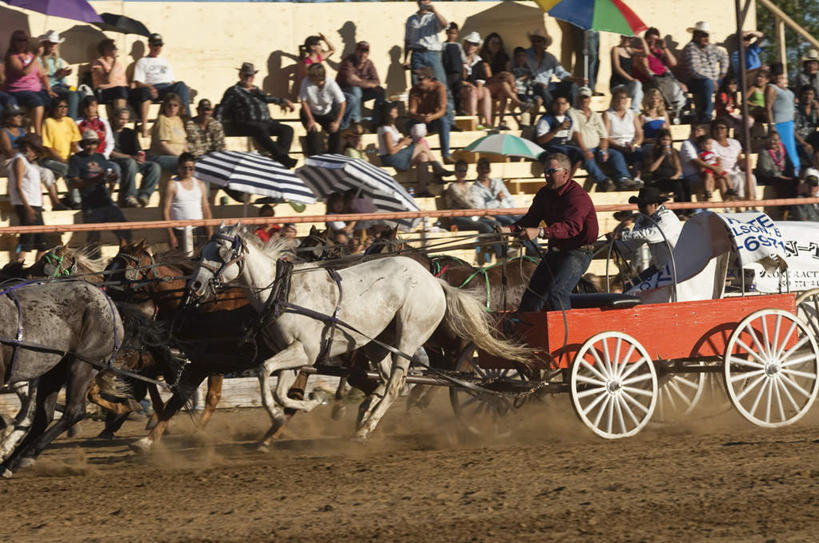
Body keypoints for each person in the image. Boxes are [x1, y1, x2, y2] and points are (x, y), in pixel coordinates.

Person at [501, 152, 598, 312]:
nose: (546, 175)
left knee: (557, 293)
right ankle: (528, 332)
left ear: (565, 173)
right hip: (555, 253)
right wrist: (509, 230)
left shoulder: (577, 196)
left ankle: (565, 334)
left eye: (551, 171)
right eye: (545, 171)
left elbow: (571, 227)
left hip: (577, 253)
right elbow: (530, 220)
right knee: (532, 295)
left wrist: (539, 232)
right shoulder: (544, 194)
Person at [216, 62, 296, 168]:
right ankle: (283, 159)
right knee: (260, 128)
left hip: (266, 122)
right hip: (247, 123)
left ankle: (280, 159)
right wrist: (216, 124)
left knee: (287, 129)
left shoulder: (256, 90)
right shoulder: (233, 91)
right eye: (246, 75)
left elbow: (267, 98)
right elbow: (222, 108)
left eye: (252, 75)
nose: (249, 78)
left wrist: (283, 101)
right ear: (240, 75)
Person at [68, 129, 131, 252]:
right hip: (90, 205)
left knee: (125, 232)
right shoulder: (75, 159)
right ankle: (93, 268)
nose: (90, 146)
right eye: (87, 143)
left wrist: (113, 178)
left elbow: (108, 177)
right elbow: (74, 182)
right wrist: (95, 179)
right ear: (82, 145)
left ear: (97, 144)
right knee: (93, 240)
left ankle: (123, 260)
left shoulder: (100, 157)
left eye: (93, 143)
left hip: (106, 202)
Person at [8, 135, 60, 262]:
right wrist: (28, 208)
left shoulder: (30, 163)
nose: (36, 155)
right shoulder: (19, 160)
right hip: (27, 205)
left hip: (35, 204)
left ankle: (36, 272)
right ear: (27, 148)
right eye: (35, 151)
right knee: (26, 242)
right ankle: (16, 268)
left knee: (42, 243)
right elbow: (18, 186)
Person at [377, 101, 446, 196]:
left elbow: (394, 143)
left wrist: (403, 140)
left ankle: (422, 189)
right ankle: (437, 167)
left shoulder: (392, 126)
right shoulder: (385, 129)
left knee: (423, 157)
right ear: (389, 112)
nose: (396, 110)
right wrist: (403, 143)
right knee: (421, 145)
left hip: (397, 157)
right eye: (394, 109)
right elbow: (391, 151)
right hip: (390, 159)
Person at [570, 86, 632, 192]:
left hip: (596, 148)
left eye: (586, 97)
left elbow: (604, 135)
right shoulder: (572, 112)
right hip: (580, 147)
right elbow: (575, 134)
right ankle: (603, 181)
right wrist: (585, 150)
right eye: (582, 97)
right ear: (577, 98)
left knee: (616, 154)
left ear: (590, 99)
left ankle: (624, 178)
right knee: (586, 157)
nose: (584, 100)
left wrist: (603, 150)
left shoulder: (594, 114)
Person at [131, 34, 191, 136]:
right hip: (154, 88)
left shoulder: (164, 62)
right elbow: (138, 82)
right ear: (149, 45)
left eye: (159, 45)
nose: (157, 48)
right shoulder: (142, 62)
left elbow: (172, 82)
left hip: (167, 87)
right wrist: (150, 87)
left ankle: (188, 120)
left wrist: (184, 87)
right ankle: (145, 127)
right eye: (155, 45)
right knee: (148, 92)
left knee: (181, 85)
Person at [615, 186, 683, 278]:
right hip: (661, 268)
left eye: (643, 205)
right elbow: (633, 243)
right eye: (639, 205)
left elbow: (651, 235)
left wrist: (622, 236)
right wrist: (614, 245)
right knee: (631, 288)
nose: (640, 209)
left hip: (678, 268)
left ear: (655, 205)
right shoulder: (642, 219)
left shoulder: (667, 218)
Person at [444, 160, 505, 260]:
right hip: (457, 218)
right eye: (460, 170)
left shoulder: (469, 186)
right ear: (455, 172)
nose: (462, 173)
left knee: (496, 224)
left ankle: (500, 250)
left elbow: (474, 203)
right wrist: (484, 214)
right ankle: (500, 254)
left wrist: (482, 213)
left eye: (464, 170)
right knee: (484, 225)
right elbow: (465, 203)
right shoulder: (452, 187)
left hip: (471, 216)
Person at [4, 30, 53, 136]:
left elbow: (42, 74)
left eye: (24, 40)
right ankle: (37, 134)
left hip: (35, 89)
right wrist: (36, 56)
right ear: (13, 42)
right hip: (18, 90)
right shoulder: (12, 57)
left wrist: (49, 89)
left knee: (53, 102)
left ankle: (48, 132)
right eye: (19, 40)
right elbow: (24, 72)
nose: (22, 43)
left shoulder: (30, 55)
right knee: (37, 102)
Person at [109, 107, 160, 208]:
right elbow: (110, 153)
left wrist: (141, 157)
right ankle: (130, 196)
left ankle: (144, 196)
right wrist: (130, 157)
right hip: (117, 161)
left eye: (126, 119)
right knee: (130, 162)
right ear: (114, 118)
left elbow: (139, 150)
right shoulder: (109, 132)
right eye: (121, 119)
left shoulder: (129, 132)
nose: (124, 122)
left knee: (154, 166)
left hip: (132, 160)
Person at [162, 152, 213, 252]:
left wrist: (210, 232)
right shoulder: (172, 185)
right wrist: (171, 235)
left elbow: (206, 209)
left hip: (199, 229)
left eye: (191, 168)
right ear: (179, 168)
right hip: (179, 231)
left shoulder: (200, 184)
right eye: (184, 167)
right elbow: (165, 211)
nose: (187, 171)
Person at [479, 32, 531, 129]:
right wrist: (499, 75)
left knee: (503, 91)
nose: (496, 46)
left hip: (501, 86)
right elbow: (488, 79)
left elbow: (508, 74)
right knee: (503, 84)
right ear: (487, 44)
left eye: (498, 43)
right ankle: (518, 103)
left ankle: (501, 122)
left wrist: (512, 86)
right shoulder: (483, 58)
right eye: (493, 43)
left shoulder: (503, 57)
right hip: (486, 86)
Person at [681, 21, 729, 124]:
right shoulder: (691, 48)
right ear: (696, 35)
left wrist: (722, 73)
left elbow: (724, 56)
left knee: (730, 82)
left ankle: (726, 113)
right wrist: (712, 81)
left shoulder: (711, 47)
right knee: (707, 84)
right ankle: (707, 115)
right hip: (696, 81)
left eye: (707, 35)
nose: (706, 38)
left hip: (713, 80)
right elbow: (695, 70)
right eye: (703, 35)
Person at [525, 29, 584, 110]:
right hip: (532, 88)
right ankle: (552, 113)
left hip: (548, 86)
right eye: (534, 41)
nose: (536, 43)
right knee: (543, 88)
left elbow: (561, 73)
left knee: (572, 85)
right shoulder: (524, 55)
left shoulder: (550, 58)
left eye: (539, 41)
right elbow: (518, 74)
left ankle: (574, 112)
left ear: (544, 43)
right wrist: (536, 83)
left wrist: (576, 79)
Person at [639, 27, 687, 122]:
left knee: (680, 88)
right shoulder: (641, 53)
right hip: (652, 81)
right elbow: (645, 69)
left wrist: (664, 48)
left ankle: (679, 112)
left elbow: (673, 63)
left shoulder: (659, 52)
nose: (652, 42)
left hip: (665, 80)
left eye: (655, 40)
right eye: (650, 40)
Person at [407, 66, 453, 164]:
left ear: (429, 79)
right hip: (421, 120)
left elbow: (442, 110)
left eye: (420, 79)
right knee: (408, 123)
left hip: (435, 120)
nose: (417, 82)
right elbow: (411, 111)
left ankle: (446, 155)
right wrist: (420, 117)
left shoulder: (440, 88)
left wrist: (431, 117)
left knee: (444, 121)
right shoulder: (414, 90)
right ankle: (412, 154)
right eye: (417, 79)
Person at [41, 97, 81, 206]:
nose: (64, 109)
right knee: (68, 169)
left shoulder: (70, 121)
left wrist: (80, 159)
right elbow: (48, 147)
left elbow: (74, 144)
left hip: (67, 159)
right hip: (50, 159)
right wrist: (63, 161)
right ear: (54, 109)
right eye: (60, 107)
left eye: (66, 107)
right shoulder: (48, 122)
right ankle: (76, 201)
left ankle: (72, 197)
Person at [299, 63, 346, 156]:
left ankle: (333, 157)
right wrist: (310, 119)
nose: (308, 77)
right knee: (312, 131)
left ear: (317, 77)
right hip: (310, 111)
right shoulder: (306, 81)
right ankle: (314, 157)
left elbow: (343, 103)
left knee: (335, 131)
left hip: (326, 112)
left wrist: (337, 122)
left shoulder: (331, 84)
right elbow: (303, 101)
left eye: (310, 75)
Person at [337, 41, 385, 129]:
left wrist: (359, 80)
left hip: (361, 91)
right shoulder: (348, 61)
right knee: (356, 90)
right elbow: (349, 81)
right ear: (355, 51)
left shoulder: (369, 63)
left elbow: (377, 82)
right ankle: (356, 121)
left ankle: (377, 122)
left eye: (365, 52)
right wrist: (368, 83)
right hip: (344, 91)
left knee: (380, 91)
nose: (363, 55)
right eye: (360, 51)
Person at [603, 89, 644, 185]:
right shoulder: (608, 114)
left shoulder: (632, 113)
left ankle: (637, 178)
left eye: (623, 98)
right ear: (613, 100)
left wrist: (635, 144)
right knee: (617, 154)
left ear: (627, 100)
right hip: (614, 145)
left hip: (631, 144)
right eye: (618, 98)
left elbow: (639, 134)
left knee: (639, 152)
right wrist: (619, 147)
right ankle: (623, 178)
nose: (621, 100)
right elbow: (606, 135)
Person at [403, 0, 448, 86]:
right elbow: (407, 40)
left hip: (432, 53)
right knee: (417, 84)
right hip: (416, 54)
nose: (422, 2)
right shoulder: (411, 19)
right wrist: (405, 59)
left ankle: (446, 99)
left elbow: (445, 25)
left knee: (440, 82)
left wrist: (434, 11)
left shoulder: (434, 17)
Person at [765, 62, 799, 177]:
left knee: (793, 153)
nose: (778, 76)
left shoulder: (786, 88)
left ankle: (795, 174)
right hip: (780, 124)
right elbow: (768, 108)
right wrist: (772, 125)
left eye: (780, 74)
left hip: (790, 124)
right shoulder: (771, 88)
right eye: (776, 74)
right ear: (772, 75)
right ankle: (789, 175)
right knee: (786, 152)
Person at [711, 119, 757, 201]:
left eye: (722, 128)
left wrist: (745, 162)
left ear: (727, 130)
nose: (719, 130)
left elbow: (739, 159)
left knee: (751, 177)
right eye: (716, 128)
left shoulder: (734, 142)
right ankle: (737, 205)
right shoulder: (712, 144)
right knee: (737, 179)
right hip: (723, 173)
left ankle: (752, 203)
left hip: (736, 170)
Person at [535, 95, 583, 173]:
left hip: (563, 146)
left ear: (566, 105)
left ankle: (568, 180)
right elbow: (541, 140)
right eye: (557, 104)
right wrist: (558, 129)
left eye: (563, 104)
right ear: (553, 105)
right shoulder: (545, 119)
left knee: (579, 153)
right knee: (561, 156)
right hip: (548, 148)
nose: (560, 106)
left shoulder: (568, 119)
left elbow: (568, 138)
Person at [37, 31, 78, 120]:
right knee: (72, 95)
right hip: (49, 88)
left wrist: (64, 75)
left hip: (61, 86)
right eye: (50, 44)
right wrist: (56, 76)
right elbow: (41, 79)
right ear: (45, 44)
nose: (52, 46)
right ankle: (71, 122)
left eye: (55, 44)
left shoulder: (58, 60)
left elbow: (62, 82)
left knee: (79, 92)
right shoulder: (39, 60)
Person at [468, 158, 518, 226]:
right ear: (477, 169)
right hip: (494, 214)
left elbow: (510, 198)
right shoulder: (474, 189)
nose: (485, 171)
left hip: (508, 211)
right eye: (482, 168)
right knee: (512, 223)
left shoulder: (498, 182)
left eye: (487, 168)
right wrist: (497, 200)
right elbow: (481, 209)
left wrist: (515, 211)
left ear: (490, 170)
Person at [460, 32, 493, 130]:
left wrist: (479, 87)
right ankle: (475, 121)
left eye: (474, 44)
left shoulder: (478, 60)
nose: (471, 46)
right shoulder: (459, 58)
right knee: (473, 91)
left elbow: (480, 78)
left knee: (485, 91)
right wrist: (469, 84)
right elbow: (456, 78)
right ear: (465, 43)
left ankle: (488, 122)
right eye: (469, 43)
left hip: (472, 87)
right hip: (461, 87)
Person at [149, 92, 188, 173]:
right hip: (161, 156)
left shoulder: (178, 119)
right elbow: (163, 145)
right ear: (164, 106)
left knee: (199, 165)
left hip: (177, 156)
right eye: (169, 105)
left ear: (179, 107)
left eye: (175, 105)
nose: (172, 108)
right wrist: (180, 156)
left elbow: (183, 143)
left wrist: (189, 155)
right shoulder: (162, 119)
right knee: (188, 165)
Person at [644, 129, 686, 204]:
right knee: (677, 185)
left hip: (671, 179)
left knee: (686, 183)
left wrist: (675, 177)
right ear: (659, 140)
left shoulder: (673, 151)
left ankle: (688, 210)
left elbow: (679, 169)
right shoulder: (653, 151)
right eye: (664, 139)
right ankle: (679, 210)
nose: (666, 142)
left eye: (668, 140)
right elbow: (651, 169)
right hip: (659, 180)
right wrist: (662, 155)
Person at [755, 131, 796, 199]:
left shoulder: (783, 150)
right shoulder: (764, 152)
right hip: (767, 176)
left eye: (775, 140)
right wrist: (781, 176)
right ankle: (783, 205)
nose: (772, 142)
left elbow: (789, 165)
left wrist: (791, 175)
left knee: (795, 181)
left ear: (779, 141)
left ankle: (794, 205)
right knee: (783, 182)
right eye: (770, 139)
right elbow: (766, 170)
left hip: (781, 175)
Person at [91, 38, 129, 111]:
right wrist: (114, 62)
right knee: (120, 90)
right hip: (104, 91)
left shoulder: (118, 64)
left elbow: (124, 83)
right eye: (113, 47)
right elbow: (108, 80)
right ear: (106, 50)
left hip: (121, 90)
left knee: (140, 92)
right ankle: (120, 115)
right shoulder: (98, 63)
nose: (116, 49)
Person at [610, 35, 643, 113]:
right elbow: (617, 68)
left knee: (640, 90)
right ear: (622, 37)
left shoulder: (630, 50)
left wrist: (641, 39)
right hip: (617, 84)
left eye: (630, 38)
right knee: (637, 84)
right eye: (626, 37)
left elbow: (646, 53)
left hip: (628, 85)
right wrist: (631, 79)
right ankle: (635, 111)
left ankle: (634, 110)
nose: (628, 40)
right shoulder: (616, 49)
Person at [77, 95, 114, 161]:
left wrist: (104, 155)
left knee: (115, 168)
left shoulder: (104, 122)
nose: (89, 108)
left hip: (103, 156)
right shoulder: (77, 123)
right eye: (87, 106)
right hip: (84, 157)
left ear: (96, 107)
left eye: (92, 106)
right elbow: (76, 143)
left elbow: (110, 142)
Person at [441, 22, 464, 114]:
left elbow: (463, 59)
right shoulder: (443, 45)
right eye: (450, 33)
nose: (452, 35)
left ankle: (459, 109)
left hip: (458, 73)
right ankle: (449, 111)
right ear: (446, 33)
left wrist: (463, 71)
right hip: (447, 73)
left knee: (458, 92)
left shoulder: (458, 46)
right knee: (448, 93)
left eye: (454, 33)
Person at [794, 86, 819, 169]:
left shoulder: (814, 110)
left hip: (812, 139)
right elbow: (791, 130)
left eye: (810, 94)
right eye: (805, 94)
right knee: (810, 151)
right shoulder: (795, 109)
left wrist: (817, 109)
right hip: (799, 141)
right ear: (801, 95)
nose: (808, 96)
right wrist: (803, 143)